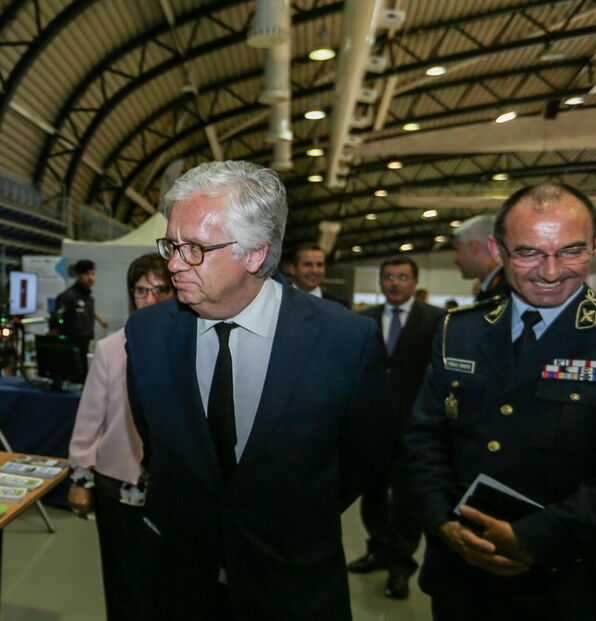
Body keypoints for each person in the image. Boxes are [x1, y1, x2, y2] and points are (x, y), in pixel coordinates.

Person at [124, 160, 395, 619]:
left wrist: (288, 511)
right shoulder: (147, 334)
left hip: (294, 584)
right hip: (182, 583)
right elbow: (158, 441)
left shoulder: (345, 340)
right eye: (172, 244)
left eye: (194, 248)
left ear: (254, 254)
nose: (173, 264)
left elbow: (363, 455)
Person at [406, 183, 596, 620]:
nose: (550, 271)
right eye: (528, 253)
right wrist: (442, 520)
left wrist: (534, 540)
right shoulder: (460, 331)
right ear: (497, 249)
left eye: (570, 251)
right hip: (461, 574)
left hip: (569, 581)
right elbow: (425, 435)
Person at [68, 253, 175, 621]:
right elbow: (89, 422)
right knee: (123, 583)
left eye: (161, 290)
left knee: (167, 586)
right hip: (119, 487)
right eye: (142, 291)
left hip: (173, 491)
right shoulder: (112, 348)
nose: (151, 300)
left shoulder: (192, 347)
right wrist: (80, 479)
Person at [348, 258, 445, 599]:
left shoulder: (435, 320)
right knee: (372, 497)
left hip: (414, 429)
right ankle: (377, 551)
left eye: (403, 277)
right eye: (388, 276)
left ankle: (400, 566)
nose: (395, 283)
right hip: (373, 429)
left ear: (415, 282)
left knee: (407, 503)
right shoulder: (364, 320)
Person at [53, 259, 107, 360]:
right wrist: (61, 328)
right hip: (70, 347)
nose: (91, 278)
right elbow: (58, 319)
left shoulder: (89, 298)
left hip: (84, 344)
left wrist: (100, 319)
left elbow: (84, 309)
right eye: (87, 274)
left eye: (93, 274)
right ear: (78, 276)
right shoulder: (68, 296)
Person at [453, 213, 510, 300]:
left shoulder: (504, 293)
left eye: (458, 250)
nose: (456, 260)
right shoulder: (503, 286)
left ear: (474, 247)